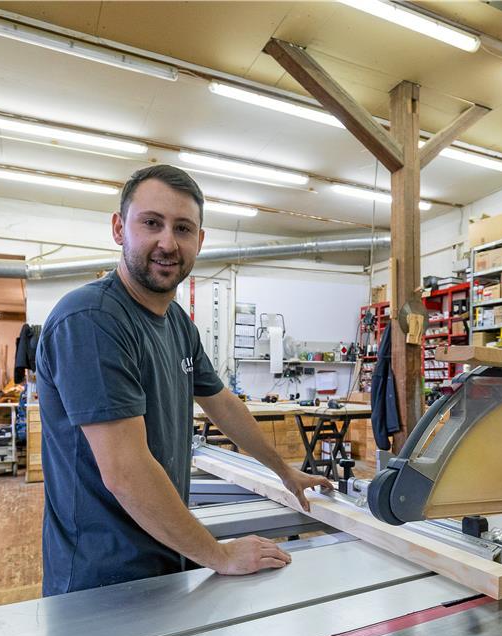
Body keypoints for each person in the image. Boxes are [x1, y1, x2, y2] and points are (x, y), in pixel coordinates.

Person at [36, 165, 332, 596]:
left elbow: (221, 402)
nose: (168, 243)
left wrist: (284, 470)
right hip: (102, 576)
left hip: (163, 551)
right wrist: (220, 555)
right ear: (119, 228)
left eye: (183, 228)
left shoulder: (175, 321)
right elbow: (125, 472)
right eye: (152, 223)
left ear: (200, 240)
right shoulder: (91, 321)